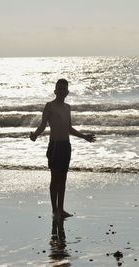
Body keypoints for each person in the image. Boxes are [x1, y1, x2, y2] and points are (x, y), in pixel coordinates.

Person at [30, 79, 95, 219]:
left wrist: (84, 136)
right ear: (55, 91)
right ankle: (54, 210)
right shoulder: (49, 106)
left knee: (63, 179)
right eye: (58, 89)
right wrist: (35, 135)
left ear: (67, 92)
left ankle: (61, 209)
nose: (61, 91)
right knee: (55, 179)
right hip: (55, 146)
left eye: (63, 89)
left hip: (66, 146)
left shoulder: (68, 107)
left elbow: (69, 128)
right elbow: (42, 125)